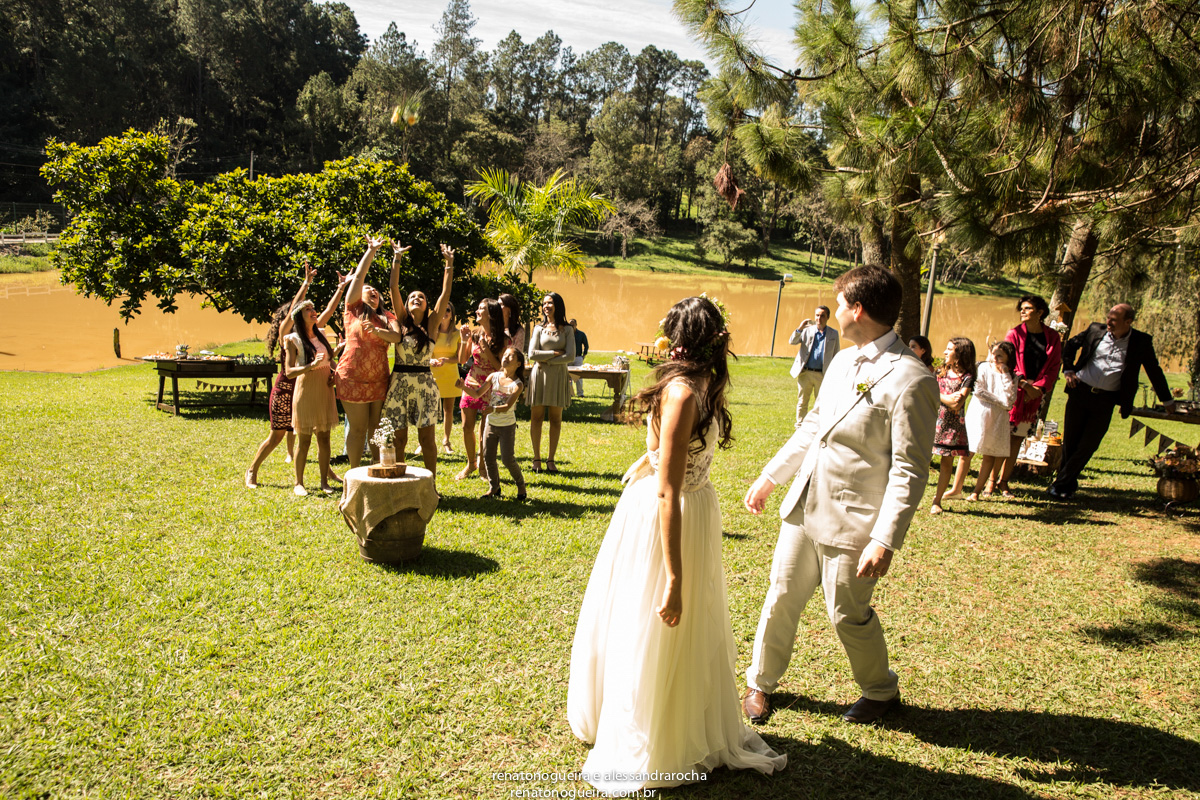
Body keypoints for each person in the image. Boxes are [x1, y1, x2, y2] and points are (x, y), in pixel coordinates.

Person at [568, 296, 786, 794]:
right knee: (655, 619)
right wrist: (674, 576)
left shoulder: (702, 385)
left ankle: (685, 719)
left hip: (697, 510)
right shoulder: (683, 391)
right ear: (714, 340)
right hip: (669, 515)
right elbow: (667, 487)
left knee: (689, 631)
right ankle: (652, 732)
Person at [741, 265, 938, 727]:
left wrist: (885, 539)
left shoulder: (913, 379)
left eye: (841, 301)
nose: (836, 308)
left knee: (847, 613)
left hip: (855, 521)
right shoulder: (843, 360)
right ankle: (760, 682)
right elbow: (814, 425)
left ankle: (881, 691)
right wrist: (772, 476)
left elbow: (910, 469)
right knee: (780, 596)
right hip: (805, 503)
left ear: (857, 309)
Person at [1049, 303, 1175, 499]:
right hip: (1079, 392)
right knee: (1071, 442)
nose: (1109, 322)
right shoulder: (1094, 330)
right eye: (1108, 317)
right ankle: (1064, 486)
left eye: (1114, 320)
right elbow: (1071, 346)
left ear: (1128, 322)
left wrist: (1167, 400)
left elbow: (1154, 371)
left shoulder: (1141, 341)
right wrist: (1068, 369)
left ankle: (1060, 484)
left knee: (1089, 444)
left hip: (1106, 400)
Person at [246, 262, 345, 488]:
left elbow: (327, 311)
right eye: (302, 311)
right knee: (277, 436)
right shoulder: (287, 335)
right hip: (287, 389)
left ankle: (325, 473)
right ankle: (252, 469)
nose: (312, 313)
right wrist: (306, 282)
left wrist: (340, 289)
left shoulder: (314, 333)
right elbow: (294, 311)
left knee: (319, 432)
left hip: (312, 387)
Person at [378, 242, 456, 488]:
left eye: (421, 297)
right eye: (412, 297)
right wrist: (396, 259)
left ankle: (430, 486)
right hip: (399, 383)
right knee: (399, 439)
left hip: (424, 385)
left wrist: (449, 264)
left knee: (427, 439)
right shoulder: (400, 321)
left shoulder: (432, 323)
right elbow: (393, 287)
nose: (416, 299)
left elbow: (445, 295)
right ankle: (401, 484)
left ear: (426, 304)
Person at [334, 236, 396, 469]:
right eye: (367, 289)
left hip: (379, 378)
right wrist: (370, 251)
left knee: (376, 428)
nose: (372, 291)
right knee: (358, 429)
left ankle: (376, 471)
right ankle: (354, 474)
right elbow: (359, 277)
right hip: (352, 376)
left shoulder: (387, 317)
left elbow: (397, 336)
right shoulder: (352, 309)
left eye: (376, 291)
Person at [996, 295, 1062, 496]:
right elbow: (1006, 363)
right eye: (1021, 308)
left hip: (1033, 398)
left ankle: (1003, 482)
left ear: (1040, 312)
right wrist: (1024, 385)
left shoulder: (1052, 337)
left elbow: (1053, 367)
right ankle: (990, 482)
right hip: (1013, 393)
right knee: (1002, 438)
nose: (1022, 311)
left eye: (1027, 308)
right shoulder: (1014, 334)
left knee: (1017, 440)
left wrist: (1038, 390)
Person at [284, 299, 340, 496]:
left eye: (313, 308)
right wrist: (310, 366)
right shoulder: (292, 339)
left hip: (325, 389)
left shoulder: (322, 334)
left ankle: (324, 482)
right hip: (306, 389)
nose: (313, 311)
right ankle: (298, 483)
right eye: (308, 309)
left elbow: (330, 361)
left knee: (324, 438)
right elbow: (289, 371)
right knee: (304, 439)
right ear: (299, 316)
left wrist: (335, 374)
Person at [458, 346, 527, 501]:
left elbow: (508, 406)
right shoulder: (493, 376)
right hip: (491, 424)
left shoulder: (517, 384)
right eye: (506, 354)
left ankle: (521, 485)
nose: (506, 357)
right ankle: (494, 487)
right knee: (488, 456)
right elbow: (477, 394)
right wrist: (463, 387)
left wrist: (492, 409)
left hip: (507, 426)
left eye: (511, 356)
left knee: (507, 459)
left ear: (518, 364)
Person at [457, 298, 506, 480]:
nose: (477, 311)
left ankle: (483, 467)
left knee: (485, 430)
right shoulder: (475, 334)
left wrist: (486, 350)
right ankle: (471, 464)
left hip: (492, 386)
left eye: (481, 309)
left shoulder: (503, 339)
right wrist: (463, 340)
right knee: (466, 426)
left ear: (491, 314)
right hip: (471, 382)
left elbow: (501, 367)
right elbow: (462, 360)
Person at [526, 293, 575, 473]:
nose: (546, 306)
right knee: (536, 417)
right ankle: (536, 458)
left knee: (555, 419)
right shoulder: (538, 328)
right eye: (544, 303)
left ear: (558, 305)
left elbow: (570, 356)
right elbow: (532, 354)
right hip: (539, 375)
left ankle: (551, 460)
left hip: (558, 376)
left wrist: (545, 359)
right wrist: (555, 354)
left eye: (550, 303)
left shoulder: (568, 330)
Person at [965, 341, 1018, 501]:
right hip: (979, 413)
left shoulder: (1012, 376)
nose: (995, 358)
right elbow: (980, 391)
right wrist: (1001, 402)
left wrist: (1005, 374)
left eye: (1000, 355)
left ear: (1008, 358)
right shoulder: (982, 368)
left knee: (989, 455)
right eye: (994, 353)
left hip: (997, 419)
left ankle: (976, 491)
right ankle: (957, 486)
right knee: (968, 451)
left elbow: (1011, 399)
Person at [930, 337, 976, 513]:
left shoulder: (967, 377)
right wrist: (944, 397)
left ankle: (937, 500)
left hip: (951, 427)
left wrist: (939, 395)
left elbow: (957, 403)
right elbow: (930, 391)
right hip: (932, 420)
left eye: (949, 349)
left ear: (959, 354)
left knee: (946, 464)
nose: (945, 352)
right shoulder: (939, 372)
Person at [788, 305, 840, 427]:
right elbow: (792, 341)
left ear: (828, 317)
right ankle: (800, 425)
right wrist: (800, 328)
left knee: (821, 402)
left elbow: (836, 354)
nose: (819, 318)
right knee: (802, 401)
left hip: (822, 374)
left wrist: (834, 374)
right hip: (805, 372)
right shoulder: (807, 330)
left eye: (822, 315)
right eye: (817, 315)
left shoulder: (833, 334)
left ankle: (819, 425)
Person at [430, 301, 466, 455]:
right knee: (429, 409)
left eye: (448, 310)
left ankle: (446, 441)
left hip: (450, 373)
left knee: (448, 410)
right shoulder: (431, 331)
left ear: (452, 315)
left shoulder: (457, 334)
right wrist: (430, 360)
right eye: (442, 310)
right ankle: (424, 440)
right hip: (432, 373)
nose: (445, 312)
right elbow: (426, 352)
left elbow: (460, 358)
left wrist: (446, 360)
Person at [569, 317, 589, 396]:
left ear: (576, 325)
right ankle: (570, 393)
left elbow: (586, 345)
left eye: (573, 325)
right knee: (568, 376)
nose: (572, 327)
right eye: (570, 325)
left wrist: (583, 355)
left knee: (579, 376)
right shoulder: (567, 334)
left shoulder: (581, 334)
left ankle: (580, 393)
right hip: (569, 357)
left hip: (578, 357)